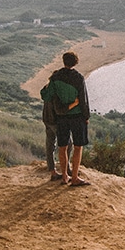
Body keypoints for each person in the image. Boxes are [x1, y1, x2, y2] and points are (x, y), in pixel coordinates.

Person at [46, 51, 90, 187]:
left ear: (64, 61)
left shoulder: (55, 77)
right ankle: (75, 177)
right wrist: (86, 116)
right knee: (78, 147)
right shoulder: (78, 78)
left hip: (61, 117)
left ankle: (64, 176)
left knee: (62, 147)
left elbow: (49, 97)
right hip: (77, 116)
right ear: (75, 62)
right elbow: (83, 99)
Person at [42, 93, 61, 181]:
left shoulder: (47, 89)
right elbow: (59, 109)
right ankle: (66, 169)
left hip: (47, 119)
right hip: (54, 121)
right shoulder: (56, 90)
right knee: (68, 144)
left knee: (50, 145)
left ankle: (52, 171)